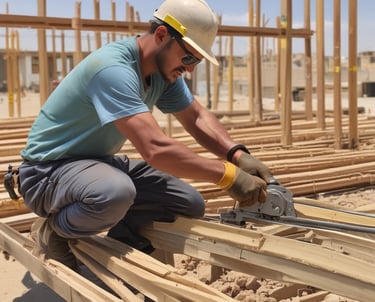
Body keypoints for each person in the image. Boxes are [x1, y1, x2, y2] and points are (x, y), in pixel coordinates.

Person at [18, 0, 271, 270]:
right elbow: (155, 149)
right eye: (189, 57)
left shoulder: (163, 72)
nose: (191, 68)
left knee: (188, 204)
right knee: (114, 193)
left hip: (96, 164)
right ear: (162, 36)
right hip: (47, 173)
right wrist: (228, 175)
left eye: (196, 60)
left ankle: (119, 246)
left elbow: (196, 117)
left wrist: (237, 154)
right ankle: (55, 231)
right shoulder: (113, 69)